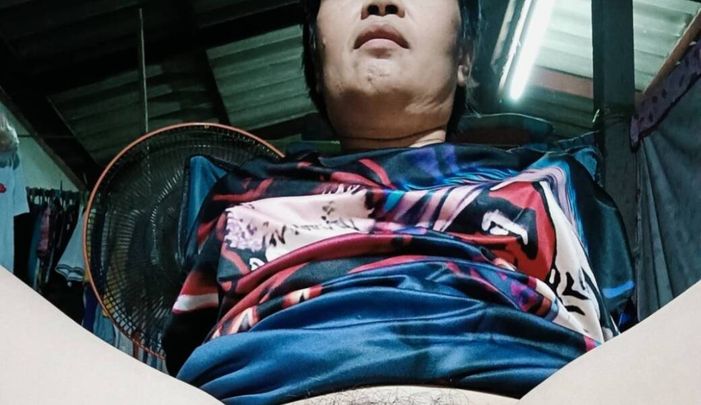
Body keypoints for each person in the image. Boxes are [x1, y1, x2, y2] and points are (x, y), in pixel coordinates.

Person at [1, 1, 699, 405]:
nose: (381, 1)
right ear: (315, 52)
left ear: (465, 57)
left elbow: (614, 336)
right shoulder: (229, 196)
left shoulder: (555, 183)